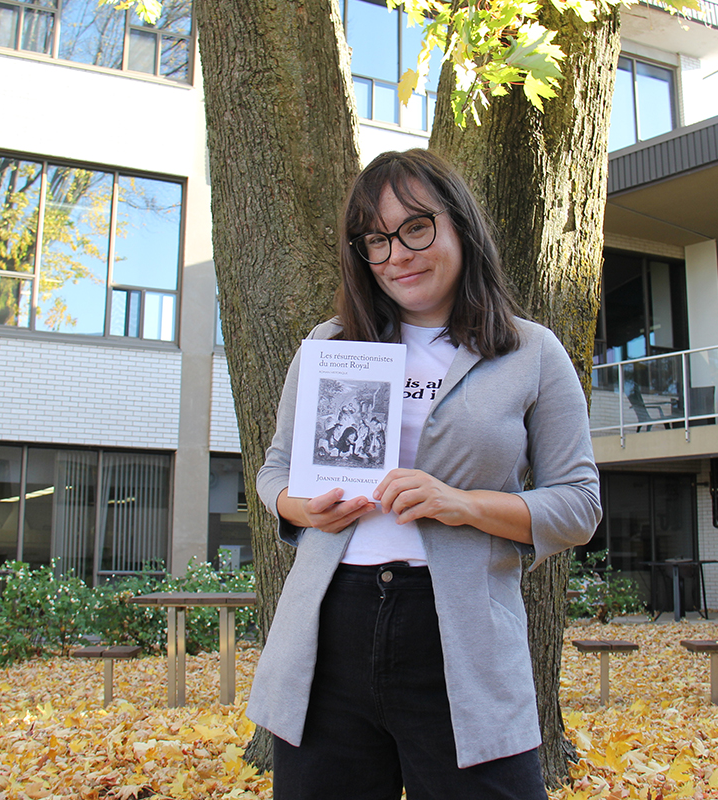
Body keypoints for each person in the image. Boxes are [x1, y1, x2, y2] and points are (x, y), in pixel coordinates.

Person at [247, 149, 602, 800]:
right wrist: (300, 508)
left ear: (459, 226)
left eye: (416, 228)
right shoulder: (329, 348)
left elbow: (578, 506)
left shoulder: (531, 354)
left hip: (461, 638)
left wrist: (459, 504)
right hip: (329, 633)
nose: (397, 254)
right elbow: (274, 471)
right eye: (376, 239)